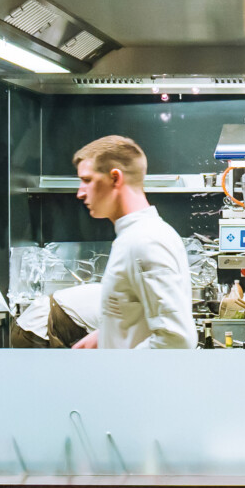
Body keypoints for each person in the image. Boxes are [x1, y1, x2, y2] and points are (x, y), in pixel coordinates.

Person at [71, 134, 196, 349]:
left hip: (134, 382)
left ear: (115, 178)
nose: (80, 193)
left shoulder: (145, 241)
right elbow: (139, 316)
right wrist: (105, 337)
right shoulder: (135, 236)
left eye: (87, 180)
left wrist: (122, 369)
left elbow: (177, 339)